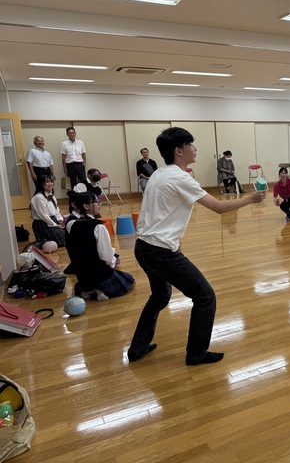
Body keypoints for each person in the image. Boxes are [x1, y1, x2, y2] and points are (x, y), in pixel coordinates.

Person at [127, 127, 266, 366]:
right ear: (179, 151)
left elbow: (160, 212)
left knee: (160, 297)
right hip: (159, 251)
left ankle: (137, 349)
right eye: (190, 144)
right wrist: (250, 199)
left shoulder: (159, 174)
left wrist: (173, 241)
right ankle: (196, 354)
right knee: (205, 296)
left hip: (144, 246)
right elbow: (219, 208)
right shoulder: (181, 178)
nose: (195, 149)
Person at [65, 192, 135, 301]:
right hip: (99, 274)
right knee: (132, 281)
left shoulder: (71, 224)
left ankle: (88, 290)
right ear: (86, 206)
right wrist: (112, 263)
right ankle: (99, 290)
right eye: (96, 202)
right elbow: (105, 255)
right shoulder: (99, 227)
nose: (100, 204)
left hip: (82, 275)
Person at [30, 175, 65, 246]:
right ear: (41, 184)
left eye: (51, 181)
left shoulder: (51, 196)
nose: (50, 184)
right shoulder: (38, 198)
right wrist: (55, 225)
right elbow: (43, 215)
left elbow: (56, 210)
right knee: (65, 238)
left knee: (70, 233)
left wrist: (60, 220)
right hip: (43, 223)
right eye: (47, 182)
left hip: (52, 220)